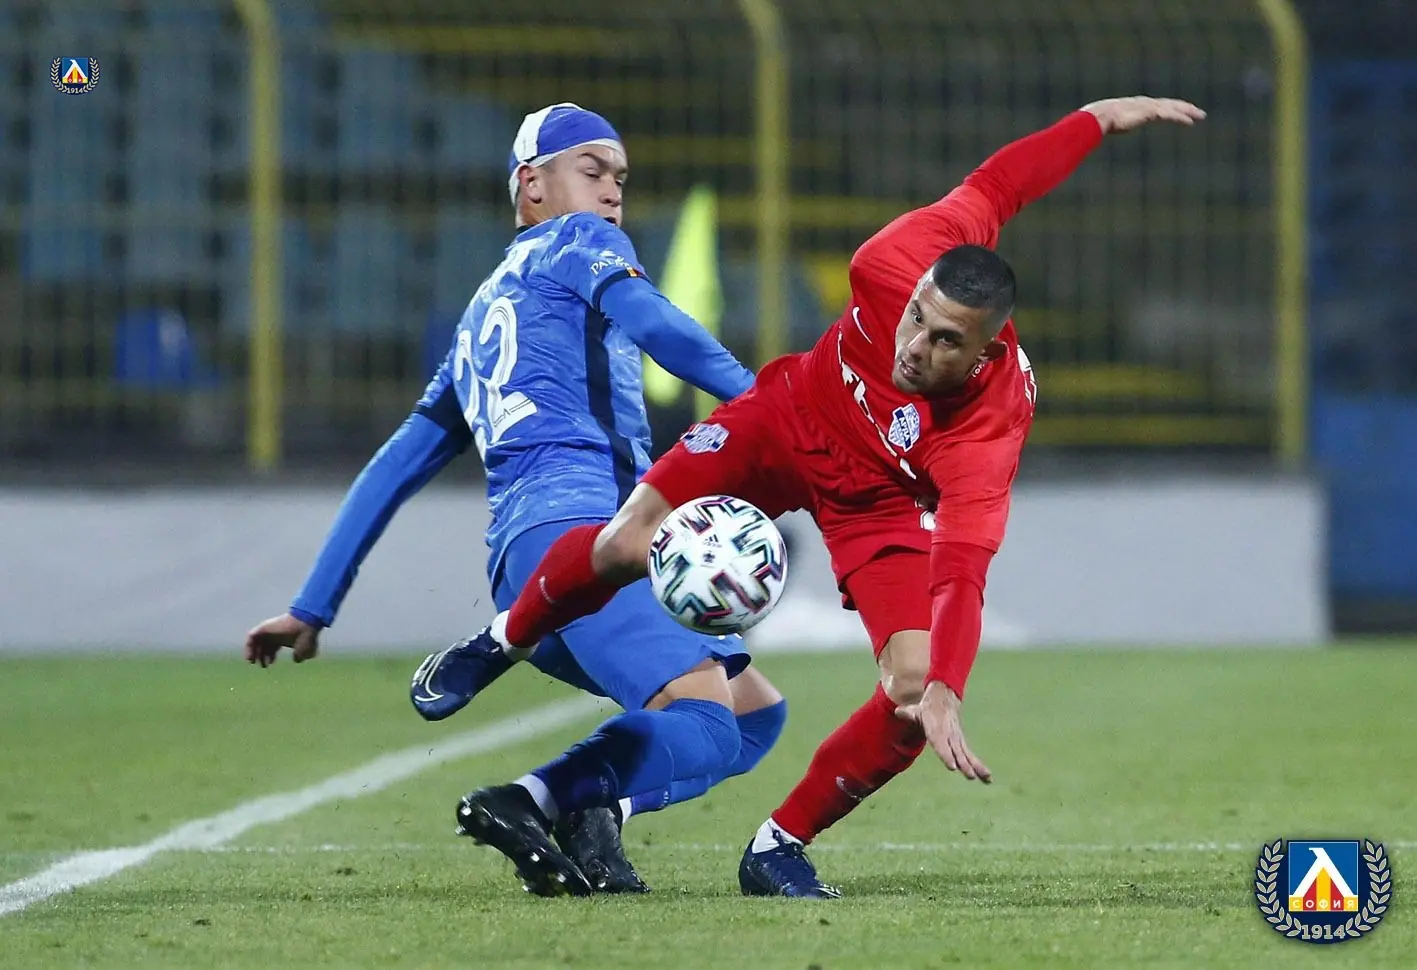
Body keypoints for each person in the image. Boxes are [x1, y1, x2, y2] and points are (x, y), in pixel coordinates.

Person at [436, 96, 1206, 897]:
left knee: (910, 695)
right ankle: (503, 640)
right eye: (916, 318)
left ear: (983, 355)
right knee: (627, 538)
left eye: (945, 341)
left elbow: (961, 573)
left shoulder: (984, 436)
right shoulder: (894, 257)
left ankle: (776, 848)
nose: (915, 346)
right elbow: (999, 184)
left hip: (875, 502)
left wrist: (945, 689)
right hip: (786, 418)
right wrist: (1092, 120)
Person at [244, 103, 789, 896]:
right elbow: (657, 325)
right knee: (707, 723)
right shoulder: (581, 242)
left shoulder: (479, 319)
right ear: (532, 185)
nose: (612, 191)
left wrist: (312, 605)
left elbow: (394, 466)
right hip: (593, 539)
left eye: (620, 178)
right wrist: (768, 405)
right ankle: (529, 800)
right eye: (592, 170)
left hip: (525, 568)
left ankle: (595, 810)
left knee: (753, 715)